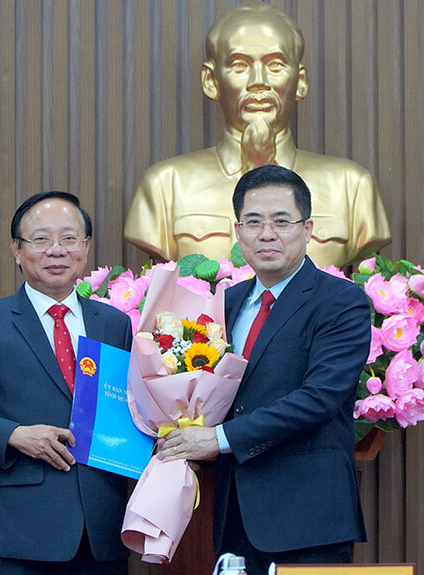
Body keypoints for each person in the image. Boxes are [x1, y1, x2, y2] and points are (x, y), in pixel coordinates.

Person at [158, 165, 370, 574]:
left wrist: (217, 439)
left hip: (308, 518)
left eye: (281, 221)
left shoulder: (341, 302)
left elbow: (319, 399)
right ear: (238, 233)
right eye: (254, 222)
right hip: (234, 514)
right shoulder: (226, 303)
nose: (267, 234)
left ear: (308, 230)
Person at [0, 191, 133, 575]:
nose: (57, 250)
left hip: (101, 534)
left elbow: (124, 410)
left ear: (86, 248)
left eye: (69, 238)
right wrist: (13, 435)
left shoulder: (113, 324)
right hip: (20, 535)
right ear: (17, 250)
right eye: (41, 239)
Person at [124, 2, 391, 268]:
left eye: (275, 65)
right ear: (211, 81)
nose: (258, 81)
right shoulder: (166, 186)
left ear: (300, 81)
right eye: (239, 66)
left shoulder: (351, 187)